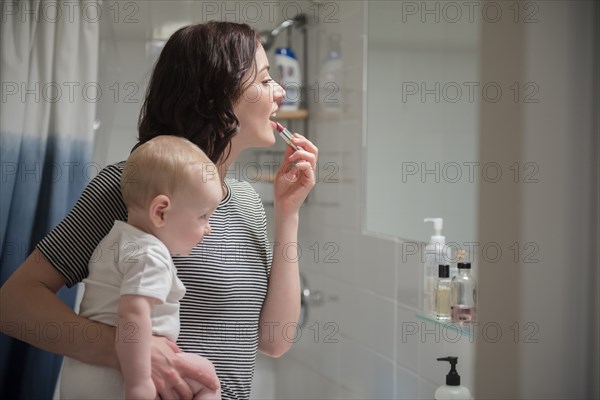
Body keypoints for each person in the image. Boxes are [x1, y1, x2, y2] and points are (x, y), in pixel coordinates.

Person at [0, 21, 317, 400]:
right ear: (217, 96)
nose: (280, 92)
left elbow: (274, 340)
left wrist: (289, 212)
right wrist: (134, 352)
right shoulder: (129, 186)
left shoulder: (248, 203)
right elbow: (14, 304)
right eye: (264, 81)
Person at [59, 136, 223, 399]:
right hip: (122, 377)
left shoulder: (115, 240)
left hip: (82, 373)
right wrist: (139, 383)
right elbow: (133, 315)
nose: (208, 228)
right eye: (203, 216)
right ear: (160, 212)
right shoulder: (152, 254)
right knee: (208, 381)